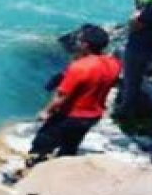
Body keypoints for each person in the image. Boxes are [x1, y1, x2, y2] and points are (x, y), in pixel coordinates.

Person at [27, 24, 122, 167]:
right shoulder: (114, 63)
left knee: (42, 143)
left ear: (85, 45)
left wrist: (46, 112)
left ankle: (32, 171)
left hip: (71, 116)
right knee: (71, 144)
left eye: (79, 40)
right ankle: (65, 168)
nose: (76, 42)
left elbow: (61, 97)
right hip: (93, 116)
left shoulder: (79, 67)